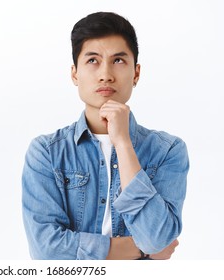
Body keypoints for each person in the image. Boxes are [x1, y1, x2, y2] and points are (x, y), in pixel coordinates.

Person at [21, 12, 189, 260]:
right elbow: (46, 250)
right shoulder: (47, 152)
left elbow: (157, 237)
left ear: (136, 73)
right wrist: (140, 249)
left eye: (119, 60)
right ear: (75, 74)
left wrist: (123, 143)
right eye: (92, 61)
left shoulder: (167, 150)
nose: (106, 74)